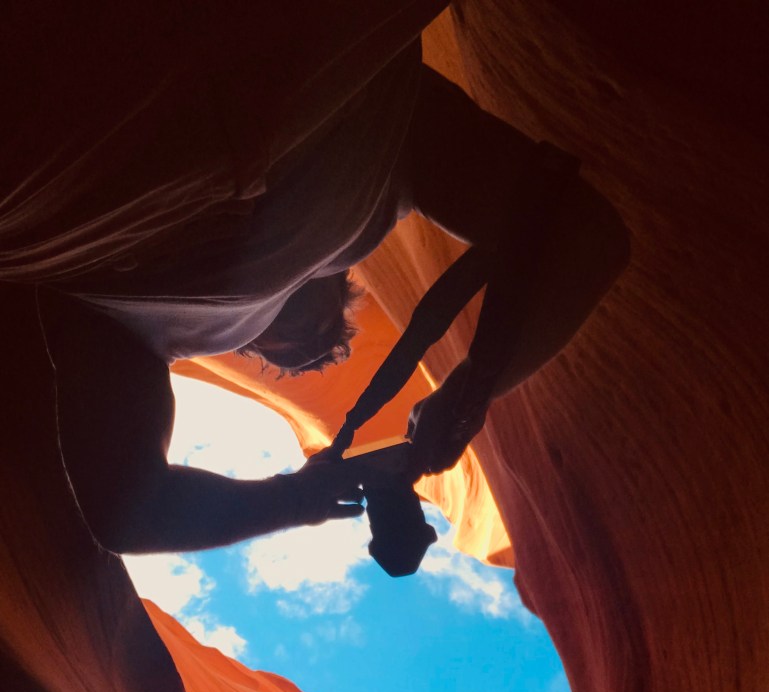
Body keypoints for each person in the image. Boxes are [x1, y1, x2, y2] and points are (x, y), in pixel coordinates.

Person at [7, 6, 629, 556]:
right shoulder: (381, 180)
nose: (309, 346)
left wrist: (298, 499)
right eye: (331, 331)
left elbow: (127, 513)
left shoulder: (133, 334)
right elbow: (581, 237)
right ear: (340, 278)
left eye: (288, 355)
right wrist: (466, 393)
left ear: (248, 345)